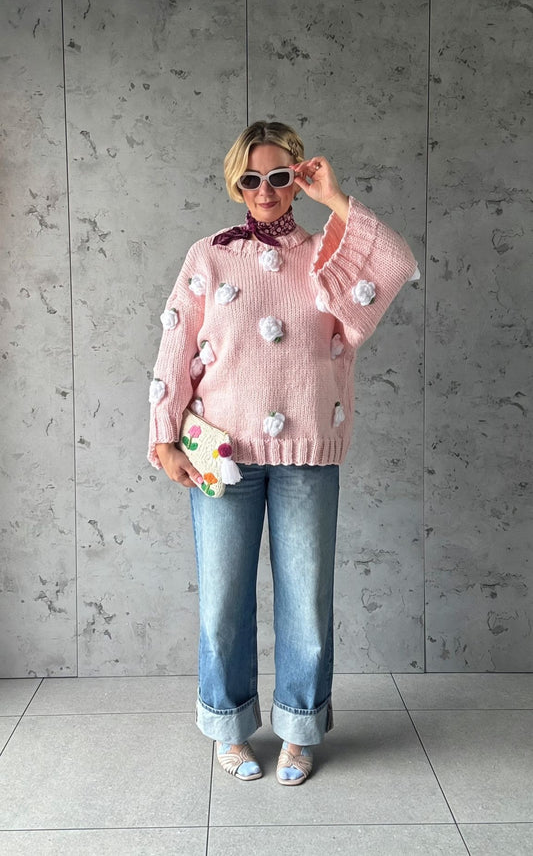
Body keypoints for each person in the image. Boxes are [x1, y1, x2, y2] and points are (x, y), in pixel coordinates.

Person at [148, 120, 418, 785]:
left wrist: (334, 198)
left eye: (277, 177)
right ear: (235, 183)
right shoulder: (209, 255)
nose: (263, 191)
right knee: (222, 603)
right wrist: (162, 434)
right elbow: (175, 348)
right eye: (250, 178)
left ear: (295, 177)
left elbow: (394, 263)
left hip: (307, 453)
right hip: (219, 451)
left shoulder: (327, 251)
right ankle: (229, 726)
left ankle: (299, 728)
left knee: (307, 604)